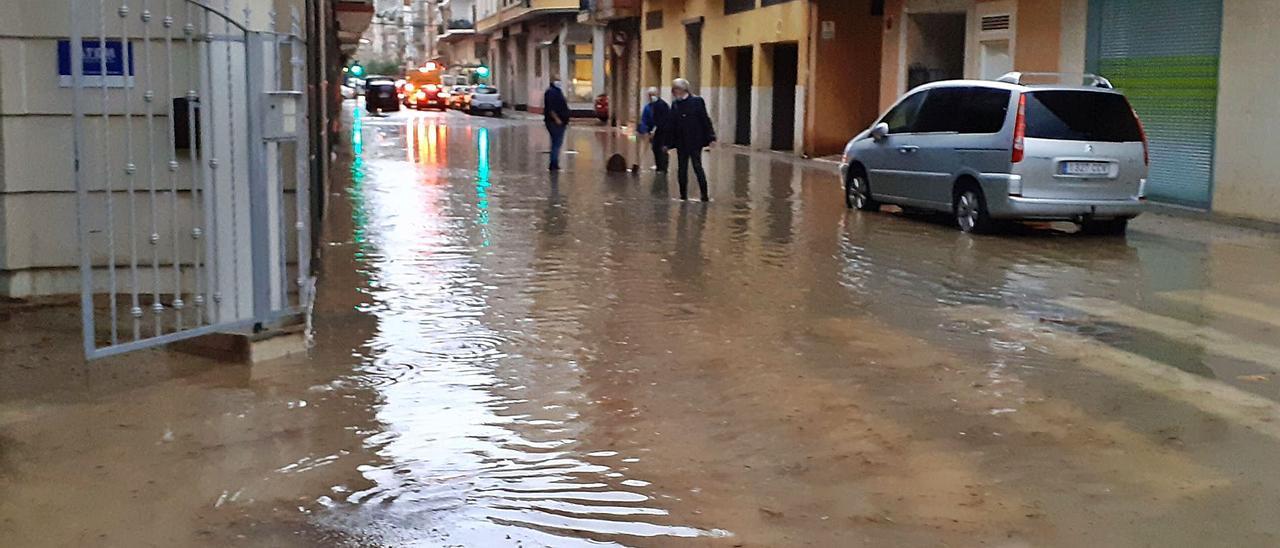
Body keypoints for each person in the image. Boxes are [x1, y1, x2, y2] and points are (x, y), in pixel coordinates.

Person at [661, 78, 715, 201]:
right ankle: (683, 195)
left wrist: (711, 136)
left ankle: (704, 195)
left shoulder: (697, 101)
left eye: (676, 90)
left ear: (683, 89)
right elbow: (671, 125)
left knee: (697, 167)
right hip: (681, 142)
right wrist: (667, 143)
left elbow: (705, 119)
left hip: (695, 141)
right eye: (673, 90)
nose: (674, 93)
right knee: (682, 169)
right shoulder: (675, 105)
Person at [636, 87, 670, 172]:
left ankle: (663, 167)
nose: (651, 97)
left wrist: (655, 130)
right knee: (655, 148)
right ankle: (659, 166)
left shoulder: (662, 105)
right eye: (649, 95)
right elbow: (644, 120)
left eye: (653, 95)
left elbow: (665, 119)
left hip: (662, 132)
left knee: (662, 149)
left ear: (657, 94)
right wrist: (645, 131)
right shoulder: (648, 107)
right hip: (652, 132)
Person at [543, 76, 572, 171]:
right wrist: (557, 119)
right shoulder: (552, 92)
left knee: (555, 143)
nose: (559, 81)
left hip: (556, 121)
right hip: (556, 122)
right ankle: (554, 164)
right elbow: (551, 108)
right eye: (557, 79)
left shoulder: (555, 91)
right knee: (557, 143)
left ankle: (554, 163)